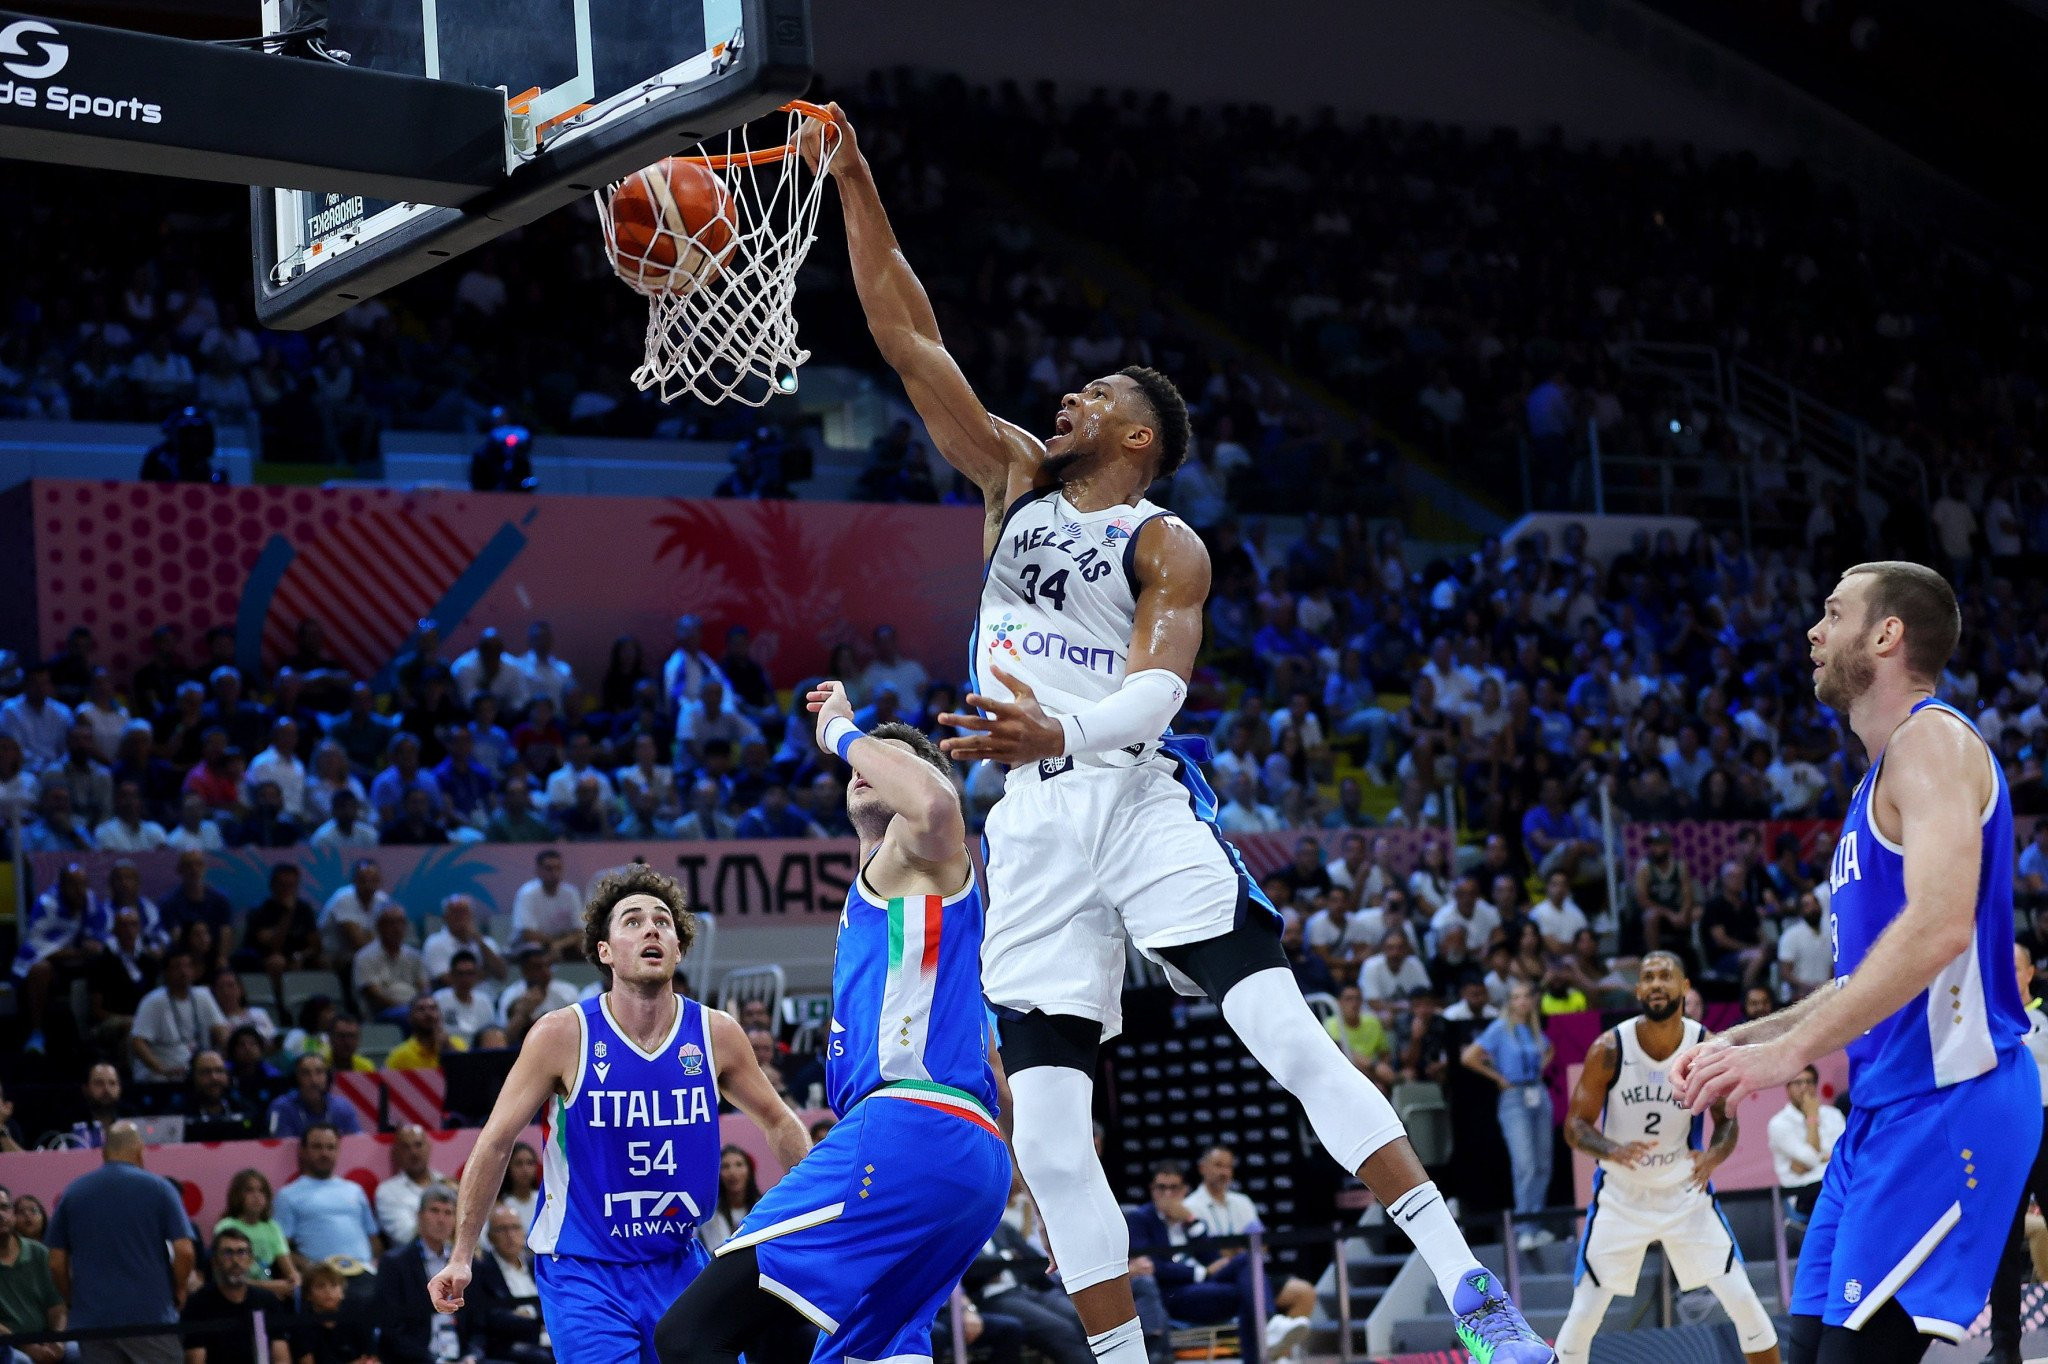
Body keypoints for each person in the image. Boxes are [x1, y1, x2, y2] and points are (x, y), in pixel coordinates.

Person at [798, 105, 1551, 1364]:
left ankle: (1468, 1284)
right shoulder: (1011, 480)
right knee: (1049, 1135)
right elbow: (904, 333)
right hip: (1029, 827)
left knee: (1285, 1036)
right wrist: (854, 177)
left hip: (1132, 797)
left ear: (1136, 437)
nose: (1066, 396)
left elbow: (1158, 692)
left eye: (1092, 393)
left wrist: (1058, 722)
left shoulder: (1162, 541)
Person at [1676, 562, 2042, 1363]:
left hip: (1948, 1104)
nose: (1815, 630)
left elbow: (1940, 928)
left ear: (1887, 635)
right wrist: (1750, 1039)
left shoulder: (1932, 741)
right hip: (1881, 1118)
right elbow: (1866, 977)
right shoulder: (1871, 784)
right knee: (1804, 1350)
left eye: (1834, 613)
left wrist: (1786, 1057)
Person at [653, 684, 1016, 1364]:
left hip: (908, 1129)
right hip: (975, 1162)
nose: (865, 766)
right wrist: (1041, 1197)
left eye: (886, 759)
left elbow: (937, 805)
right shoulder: (910, 914)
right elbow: (996, 1072)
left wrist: (841, 731)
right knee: (867, 1353)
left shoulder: (917, 850)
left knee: (689, 1337)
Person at [427, 866, 808, 1364]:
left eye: (663, 922)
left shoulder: (715, 1033)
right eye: (633, 921)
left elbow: (779, 1121)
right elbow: (496, 1141)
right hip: (584, 1269)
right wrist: (461, 1255)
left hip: (678, 1260)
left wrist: (819, 1213)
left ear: (677, 948)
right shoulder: (562, 1035)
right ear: (604, 951)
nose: (652, 929)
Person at [1554, 953, 1777, 1364]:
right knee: (1583, 1316)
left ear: (1684, 986)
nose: (1656, 983)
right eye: (1648, 977)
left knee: (1744, 1302)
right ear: (1638, 989)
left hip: (1684, 1192)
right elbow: (1575, 1126)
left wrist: (1714, 1156)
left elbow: (1727, 1121)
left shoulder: (1705, 1047)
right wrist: (1612, 1149)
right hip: (1622, 1195)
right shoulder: (1609, 1048)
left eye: (1665, 976)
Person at [46, 1122, 197, 1364]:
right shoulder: (160, 1188)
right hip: (150, 1316)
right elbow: (185, 1251)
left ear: (104, 1153)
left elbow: (55, 1262)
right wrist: (178, 1289)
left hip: (94, 1320)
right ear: (140, 1150)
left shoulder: (73, 1192)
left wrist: (72, 1299)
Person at [1988, 945, 2048, 1364]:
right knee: (2002, 1245)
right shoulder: (1982, 1021)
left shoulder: (2046, 1016)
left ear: (2029, 973)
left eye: (2015, 967)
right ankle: (2005, 1345)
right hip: (2003, 1134)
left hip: (2045, 1126)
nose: (2008, 974)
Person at [275, 1124, 382, 1306]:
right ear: (303, 1151)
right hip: (323, 1279)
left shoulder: (354, 1190)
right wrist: (309, 1268)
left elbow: (374, 1239)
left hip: (364, 1273)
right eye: (317, 1147)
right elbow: (281, 1248)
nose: (324, 1153)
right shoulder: (288, 1195)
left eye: (330, 1147)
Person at [375, 1188, 477, 1364]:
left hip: (462, 1355)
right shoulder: (394, 1263)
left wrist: (472, 1356)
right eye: (434, 1211)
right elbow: (391, 1328)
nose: (441, 1219)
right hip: (416, 1358)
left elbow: (478, 1322)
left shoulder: (465, 1265)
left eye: (448, 1213)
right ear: (419, 1216)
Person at [179, 1225, 290, 1364]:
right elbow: (195, 1359)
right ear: (215, 1262)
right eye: (228, 1253)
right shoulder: (198, 1304)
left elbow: (281, 1358)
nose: (236, 1260)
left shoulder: (266, 1301)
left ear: (251, 1260)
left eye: (242, 1252)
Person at [129, 947, 227, 1082]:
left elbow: (221, 1031)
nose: (183, 971)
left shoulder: (203, 995)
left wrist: (221, 1060)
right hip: (163, 1076)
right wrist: (162, 1069)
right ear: (166, 972)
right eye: (177, 967)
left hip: (200, 1073)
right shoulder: (153, 1001)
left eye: (187, 966)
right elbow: (137, 1042)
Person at [1767, 1067, 1844, 1223]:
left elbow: (1844, 1154)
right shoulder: (1779, 1124)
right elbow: (1811, 1158)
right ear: (1787, 1088)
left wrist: (1811, 1161)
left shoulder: (1833, 1115)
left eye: (1809, 1082)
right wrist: (1812, 1118)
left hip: (1836, 1181)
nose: (1804, 1087)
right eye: (1798, 1083)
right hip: (1803, 1192)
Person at [0, 1185, 66, 1364]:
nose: (1, 1215)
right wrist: (26, 1347)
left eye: (4, 1207)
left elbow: (57, 1306)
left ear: (12, 1213)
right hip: (8, 1346)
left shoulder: (39, 1252)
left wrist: (58, 1342)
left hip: (48, 1339)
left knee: (79, 1352)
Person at [217, 1169, 299, 1299]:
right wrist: (269, 1287)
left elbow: (291, 1272)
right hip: (234, 1295)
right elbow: (227, 1278)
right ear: (237, 1195)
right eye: (249, 1190)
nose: (256, 1196)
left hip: (267, 1294)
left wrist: (293, 1283)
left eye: (261, 1191)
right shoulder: (226, 1226)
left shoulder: (272, 1227)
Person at [375, 1125, 452, 1247]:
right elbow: (405, 1235)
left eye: (418, 1145)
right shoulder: (387, 1192)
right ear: (396, 1153)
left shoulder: (448, 1184)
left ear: (429, 1147)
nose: (414, 1152)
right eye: (406, 1147)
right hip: (414, 1256)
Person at [289, 1262, 377, 1364]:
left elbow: (371, 1357)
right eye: (320, 1286)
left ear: (342, 1292)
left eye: (334, 1285)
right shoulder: (302, 1325)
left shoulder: (356, 1316)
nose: (328, 1291)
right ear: (308, 1294)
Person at [266, 1054, 363, 1138]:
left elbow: (357, 1143)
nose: (314, 1080)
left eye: (319, 1072)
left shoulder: (343, 1107)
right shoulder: (280, 1108)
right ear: (295, 1079)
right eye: (305, 1073)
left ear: (328, 1077)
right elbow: (279, 1147)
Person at [510, 850, 582, 957]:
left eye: (558, 868)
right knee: (533, 947)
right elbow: (527, 934)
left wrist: (558, 945)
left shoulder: (571, 893)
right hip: (533, 946)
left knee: (584, 947)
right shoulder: (527, 893)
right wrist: (553, 943)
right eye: (549, 868)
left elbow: (580, 931)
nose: (554, 873)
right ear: (538, 871)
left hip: (563, 944)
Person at [696, 1145, 760, 1252]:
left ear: (749, 1171)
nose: (732, 1172)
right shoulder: (709, 1215)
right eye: (725, 1166)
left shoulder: (762, 1208)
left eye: (739, 1164)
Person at [497, 1142, 541, 1233]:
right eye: (518, 1164)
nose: (525, 1170)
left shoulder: (544, 1201)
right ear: (508, 1167)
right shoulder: (500, 1204)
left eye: (530, 1163)